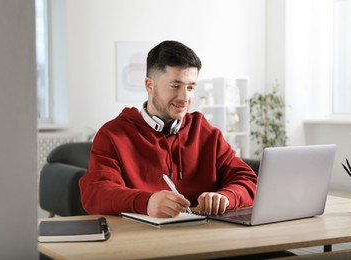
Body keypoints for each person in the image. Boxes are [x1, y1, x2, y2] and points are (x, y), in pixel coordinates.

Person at [79, 40, 257, 218]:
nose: (184, 97)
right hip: (143, 241)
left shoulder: (205, 132)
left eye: (190, 87)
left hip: (204, 238)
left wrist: (226, 197)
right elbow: (96, 193)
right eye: (175, 86)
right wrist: (146, 202)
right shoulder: (112, 134)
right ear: (149, 85)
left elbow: (249, 181)